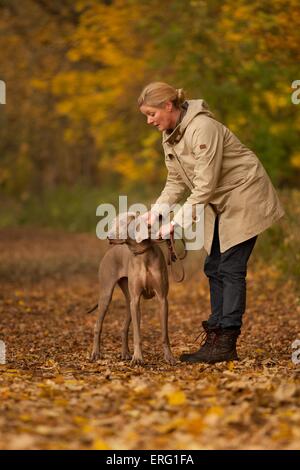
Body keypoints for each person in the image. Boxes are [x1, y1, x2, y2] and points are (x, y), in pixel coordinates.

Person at [138, 81, 285, 364]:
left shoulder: (202, 128)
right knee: (213, 266)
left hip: (244, 196)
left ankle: (226, 340)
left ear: (168, 106)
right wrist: (155, 213)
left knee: (230, 267)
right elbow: (176, 181)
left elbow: (204, 187)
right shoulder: (170, 135)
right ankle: (216, 337)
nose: (149, 121)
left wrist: (175, 223)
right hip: (219, 203)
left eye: (151, 114)